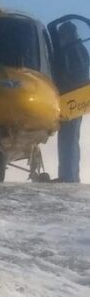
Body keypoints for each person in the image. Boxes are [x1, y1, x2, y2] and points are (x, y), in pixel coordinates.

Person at [55, 22, 90, 183]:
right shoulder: (79, 49)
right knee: (69, 137)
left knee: (68, 138)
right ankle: (68, 174)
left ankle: (69, 176)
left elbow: (71, 74)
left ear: (67, 35)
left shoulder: (72, 50)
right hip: (76, 100)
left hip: (72, 100)